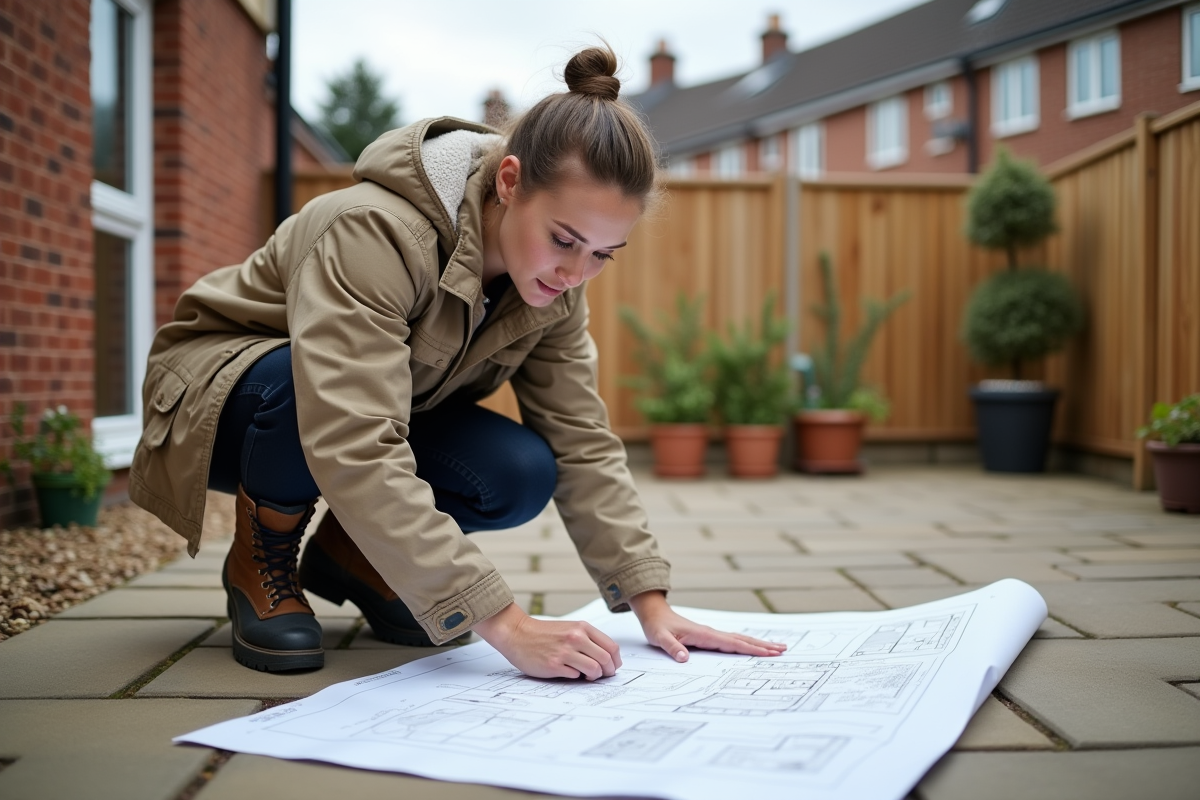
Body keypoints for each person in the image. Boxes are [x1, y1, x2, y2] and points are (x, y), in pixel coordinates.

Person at [129, 46, 786, 677]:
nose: (577, 271)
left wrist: (650, 601)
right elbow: (353, 436)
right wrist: (504, 623)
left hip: (361, 411)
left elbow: (583, 443)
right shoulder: (374, 232)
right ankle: (260, 561)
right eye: (565, 238)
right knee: (305, 388)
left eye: (603, 254)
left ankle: (354, 555)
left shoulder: (555, 292)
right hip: (222, 397)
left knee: (519, 471)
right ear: (509, 181)